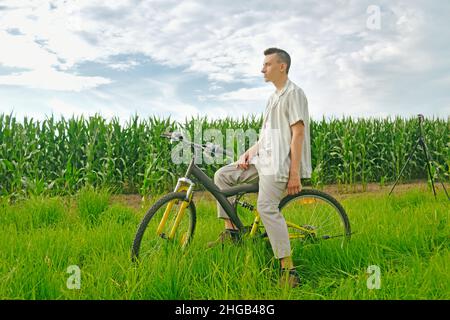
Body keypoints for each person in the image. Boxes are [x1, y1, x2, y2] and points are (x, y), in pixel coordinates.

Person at [210, 47, 312, 288]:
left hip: (280, 163)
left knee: (265, 207)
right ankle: (232, 233)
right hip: (262, 159)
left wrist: (294, 173)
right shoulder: (272, 98)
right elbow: (265, 137)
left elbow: (298, 134)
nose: (262, 69)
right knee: (222, 176)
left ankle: (289, 271)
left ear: (282, 67)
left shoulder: (294, 93)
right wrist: (247, 154)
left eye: (266, 64)